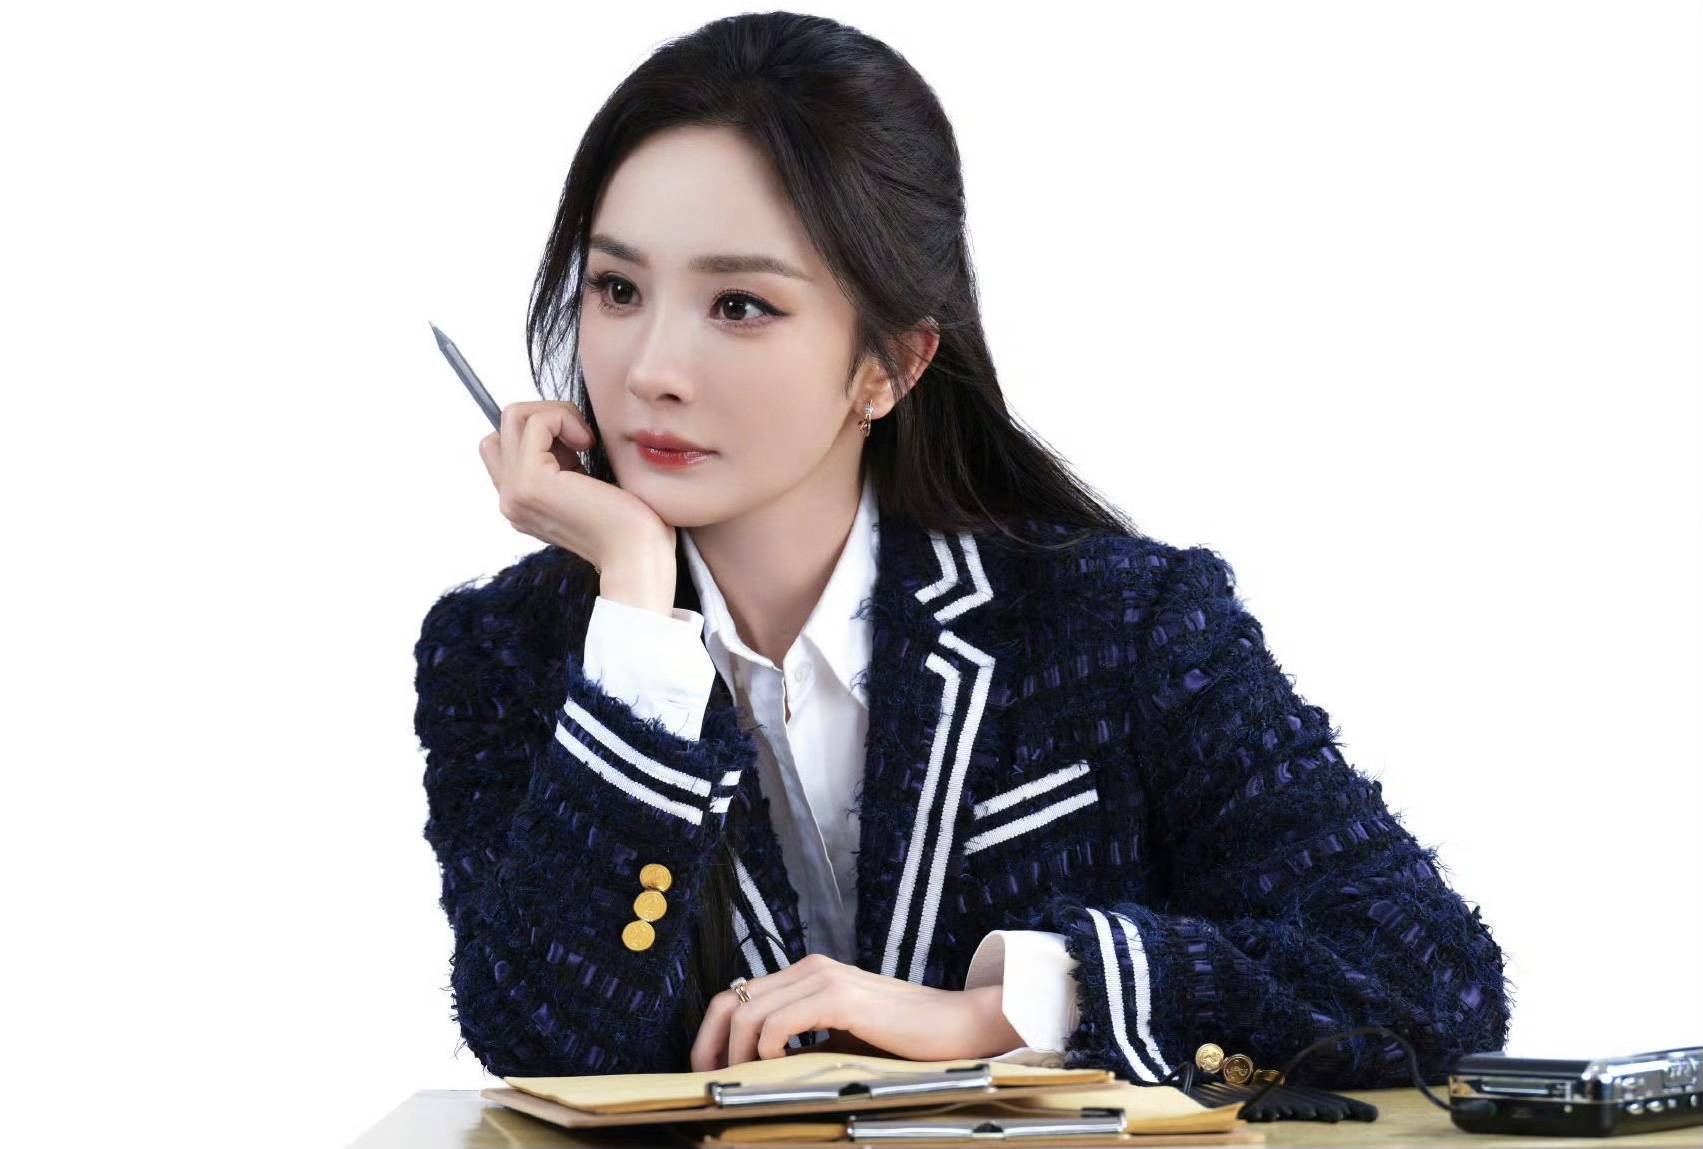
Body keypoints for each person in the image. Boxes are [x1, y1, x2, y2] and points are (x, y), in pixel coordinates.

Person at [413, 11, 1511, 1085]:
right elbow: (551, 1043)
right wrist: (636, 614)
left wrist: (1005, 1009)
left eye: (739, 304)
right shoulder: (508, 648)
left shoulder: (1121, 623)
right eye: (617, 289)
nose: (650, 367)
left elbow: (1423, 971)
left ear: (889, 364)